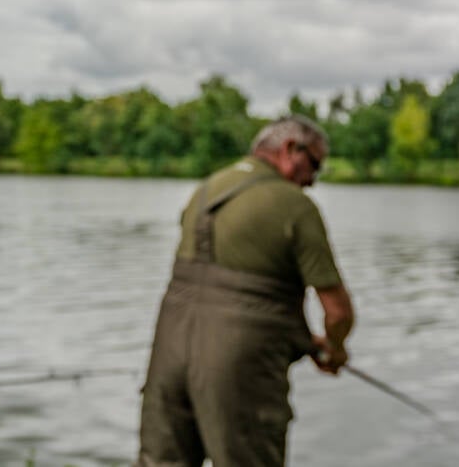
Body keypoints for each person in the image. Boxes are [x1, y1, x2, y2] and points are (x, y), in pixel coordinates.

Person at [136, 115, 354, 467]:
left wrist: (303, 339)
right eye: (315, 164)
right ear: (290, 149)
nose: (313, 180)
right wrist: (335, 348)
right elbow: (338, 312)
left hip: (168, 356)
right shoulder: (295, 205)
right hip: (240, 370)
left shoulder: (205, 190)